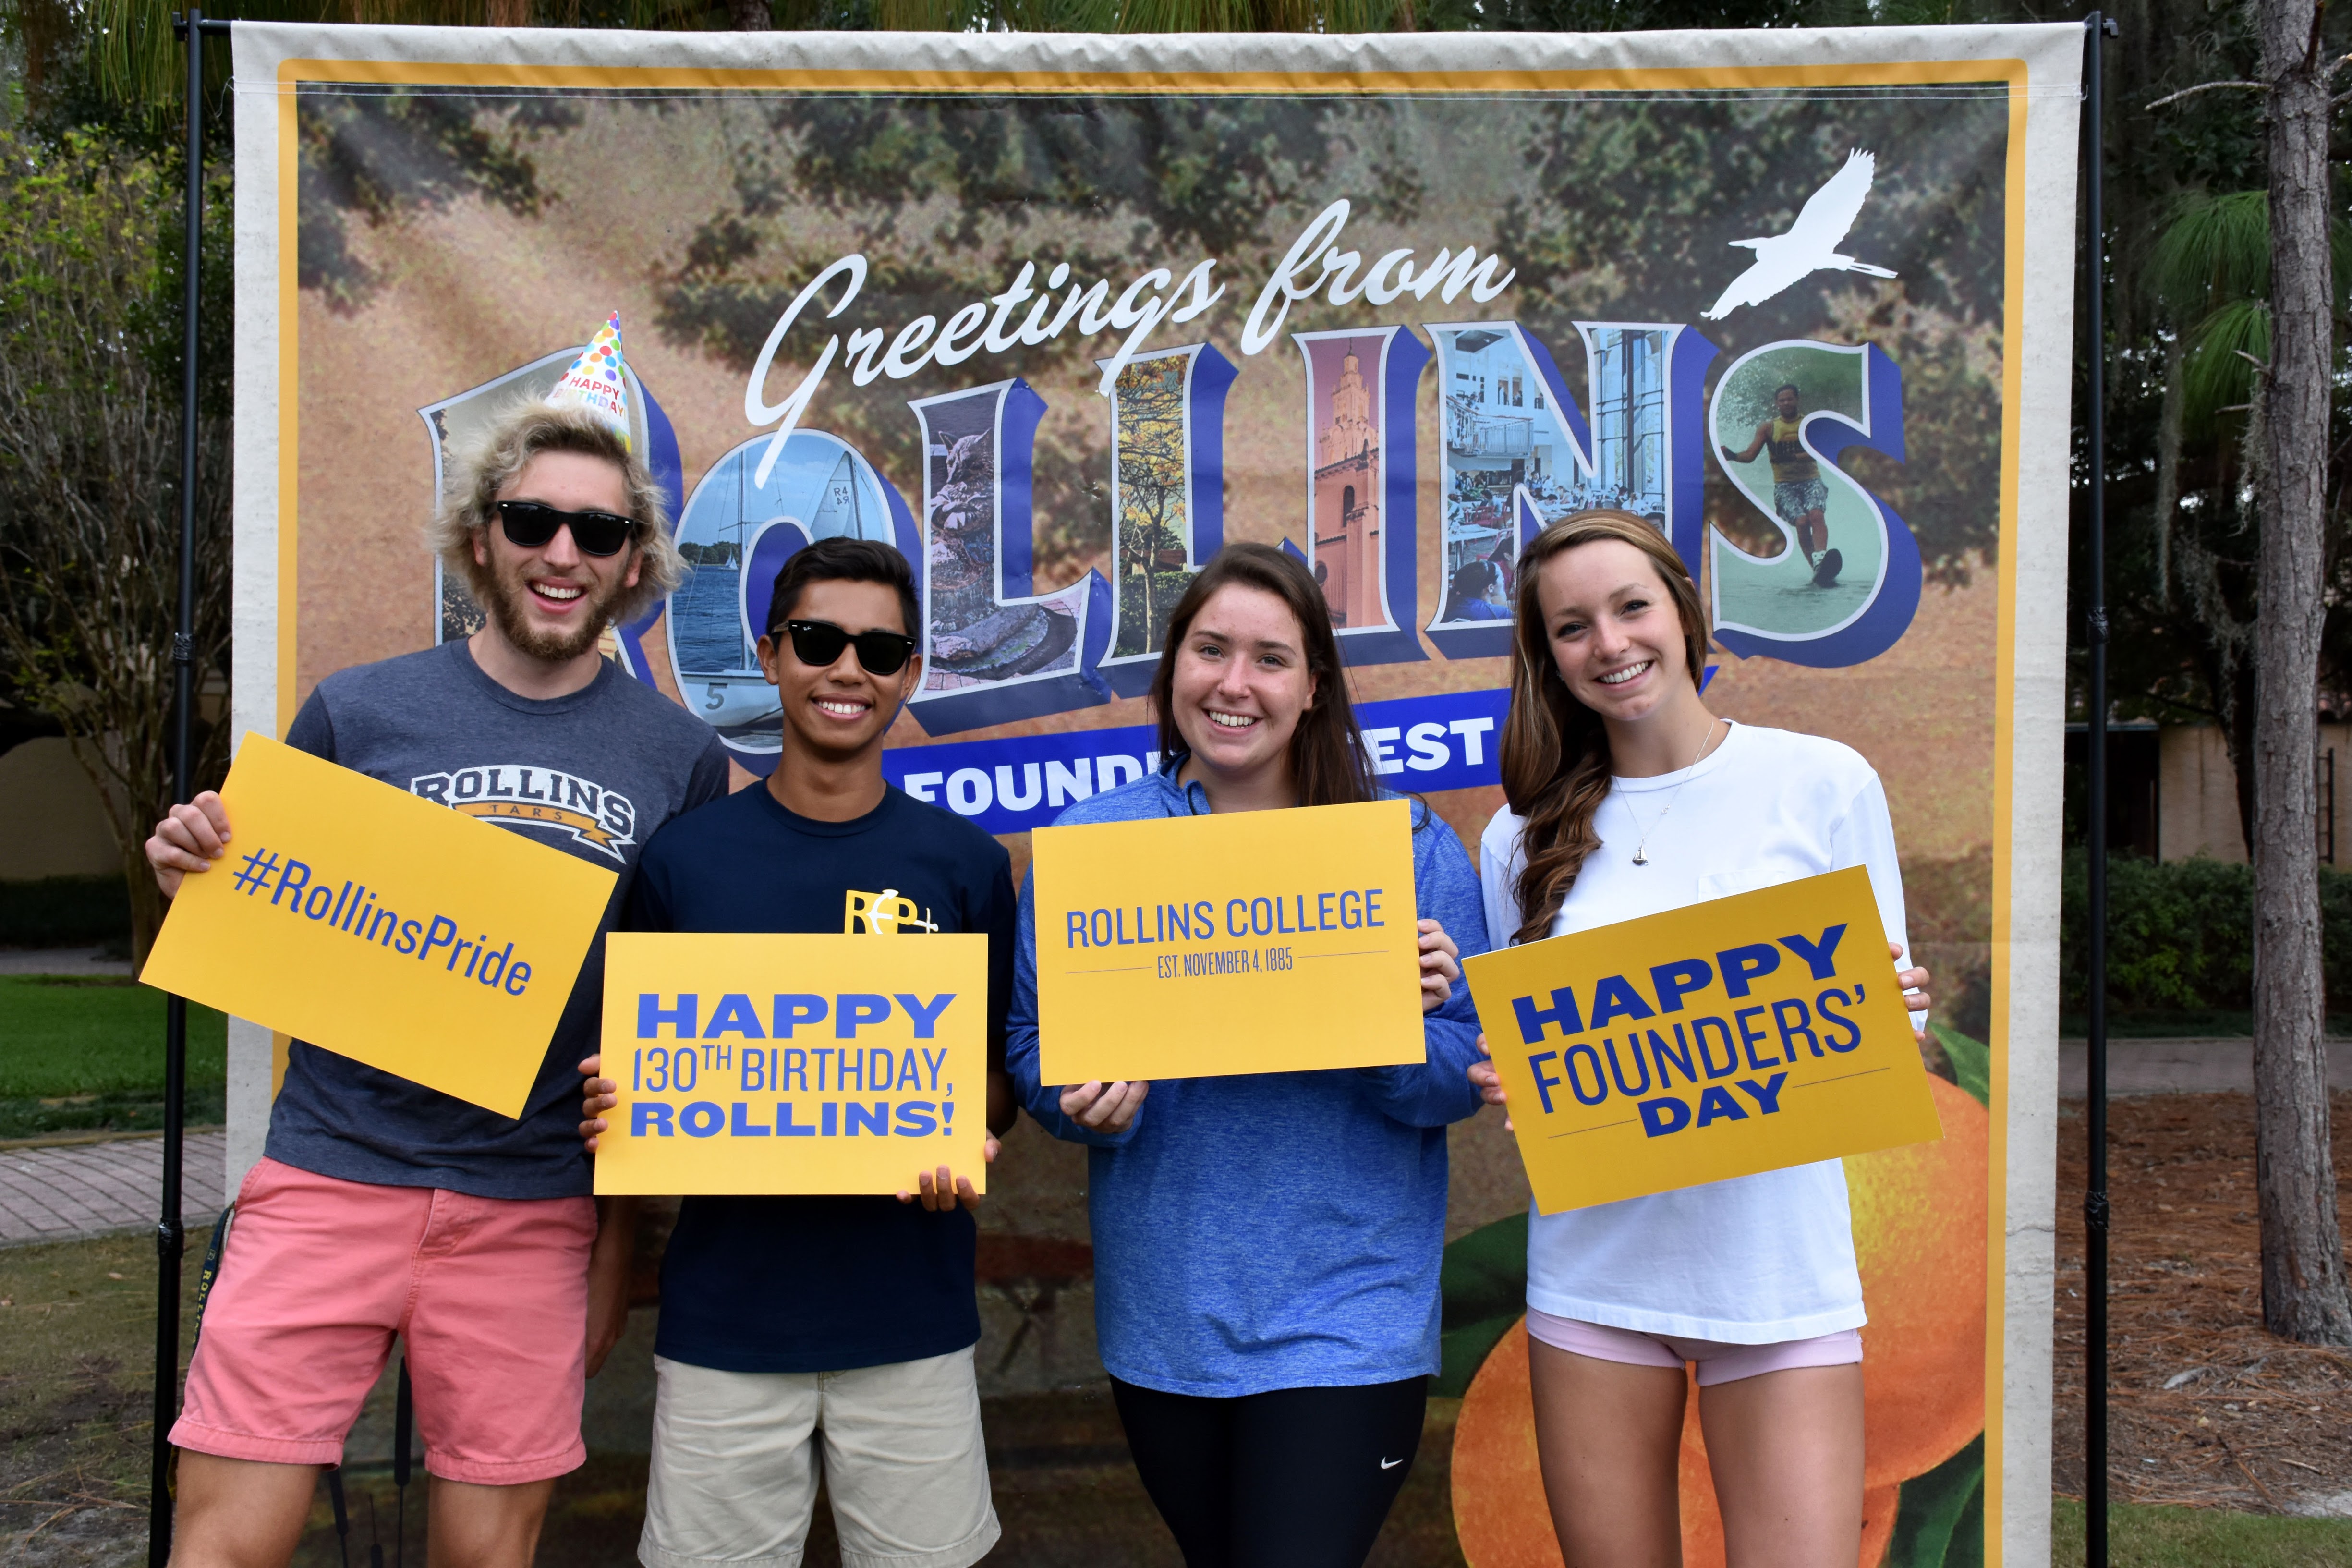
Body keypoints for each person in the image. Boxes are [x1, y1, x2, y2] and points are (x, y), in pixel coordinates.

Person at [144, 319, 730, 1568]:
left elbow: (659, 1017)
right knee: (225, 1546)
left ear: (634, 565)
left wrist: (614, 1244)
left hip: (531, 1206)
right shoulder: (358, 711)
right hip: (330, 1176)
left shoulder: (681, 758)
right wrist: (192, 865)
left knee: (486, 1555)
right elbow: (265, 912)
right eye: (533, 521)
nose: (562, 551)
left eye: (599, 531)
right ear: (480, 540)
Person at [1005, 542, 1488, 1568]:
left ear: (1314, 686)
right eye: (1210, 650)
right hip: (1166, 1317)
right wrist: (1082, 1102)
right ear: (1172, 667)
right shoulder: (1095, 846)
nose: (1234, 683)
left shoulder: (1402, 847)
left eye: (1271, 659)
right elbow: (1033, 1049)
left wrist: (1391, 1031)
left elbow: (1463, 1074)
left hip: (1348, 1314)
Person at [1468, 510, 1932, 1567]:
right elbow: (1533, 1048)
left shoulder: (1822, 784)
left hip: (1776, 1275)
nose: (1609, 643)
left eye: (1630, 607)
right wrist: (1514, 1078)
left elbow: (1884, 1037)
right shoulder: (1515, 840)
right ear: (1548, 656)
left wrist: (1890, 1011)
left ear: (1682, 611)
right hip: (1592, 1279)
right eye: (1571, 627)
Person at [576, 536, 1015, 1568]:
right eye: (818, 641)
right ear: (772, 655)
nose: (846, 669)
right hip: (726, 1325)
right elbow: (632, 1083)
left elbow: (996, 1075)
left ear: (910, 674)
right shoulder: (682, 862)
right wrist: (616, 1114)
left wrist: (967, 1130)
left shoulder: (966, 866)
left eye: (879, 649)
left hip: (911, 1316)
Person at [1721, 381, 1841, 588]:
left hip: (1811, 480)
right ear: (1777, 403)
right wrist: (1732, 456)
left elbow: (1819, 451)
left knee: (1816, 515)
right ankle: (1816, 568)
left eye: (1790, 399)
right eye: (1782, 400)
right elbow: (1750, 455)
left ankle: (1821, 557)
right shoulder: (1768, 428)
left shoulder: (1808, 424)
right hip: (1785, 486)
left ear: (1797, 400)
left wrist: (1794, 456)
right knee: (1802, 523)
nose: (1786, 403)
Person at [1443, 558, 1506, 622]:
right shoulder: (1502, 614)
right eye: (1502, 578)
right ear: (1491, 588)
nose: (1503, 580)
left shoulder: (1444, 605)